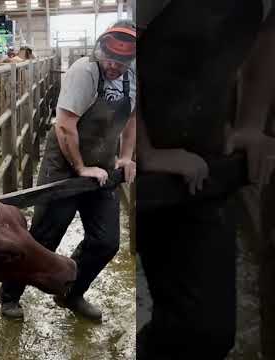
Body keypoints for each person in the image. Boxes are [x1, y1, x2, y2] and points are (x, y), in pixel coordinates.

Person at [136, 0, 273, 359]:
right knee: (179, 316)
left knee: (213, 331)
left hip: (207, 161)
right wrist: (147, 152)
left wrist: (250, 124)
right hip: (146, 163)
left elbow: (266, 39)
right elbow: (119, 58)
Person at [0, 21, 137, 321]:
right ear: (101, 50)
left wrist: (126, 157)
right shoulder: (84, 72)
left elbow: (133, 120)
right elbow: (64, 125)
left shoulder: (134, 77)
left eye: (123, 61)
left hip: (102, 165)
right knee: (45, 236)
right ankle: (9, 296)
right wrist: (81, 167)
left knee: (106, 241)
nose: (115, 66)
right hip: (64, 163)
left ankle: (71, 292)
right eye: (111, 59)